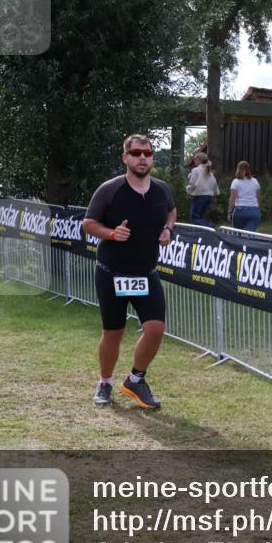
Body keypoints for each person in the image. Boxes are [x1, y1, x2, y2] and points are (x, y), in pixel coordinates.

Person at [82, 134, 176, 409]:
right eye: (136, 153)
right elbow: (88, 223)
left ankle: (135, 379)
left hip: (146, 272)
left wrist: (168, 229)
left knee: (156, 328)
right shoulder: (110, 190)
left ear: (152, 157)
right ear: (126, 158)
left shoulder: (161, 189)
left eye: (147, 153)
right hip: (112, 272)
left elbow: (172, 212)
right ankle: (105, 382)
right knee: (114, 332)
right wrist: (112, 233)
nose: (142, 157)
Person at [186, 151, 219, 228]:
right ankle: (203, 233)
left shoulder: (195, 170)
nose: (194, 160)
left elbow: (192, 184)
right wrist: (215, 195)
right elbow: (215, 184)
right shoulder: (209, 171)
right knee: (199, 217)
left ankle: (211, 226)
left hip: (200, 196)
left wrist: (188, 192)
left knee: (194, 218)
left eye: (195, 159)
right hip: (209, 197)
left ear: (200, 160)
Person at [228, 160, 262, 231]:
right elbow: (258, 197)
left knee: (238, 234)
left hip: (240, 211)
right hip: (254, 211)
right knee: (249, 235)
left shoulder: (235, 182)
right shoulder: (255, 181)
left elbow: (232, 199)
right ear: (248, 169)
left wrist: (229, 212)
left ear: (238, 169)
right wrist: (256, 208)